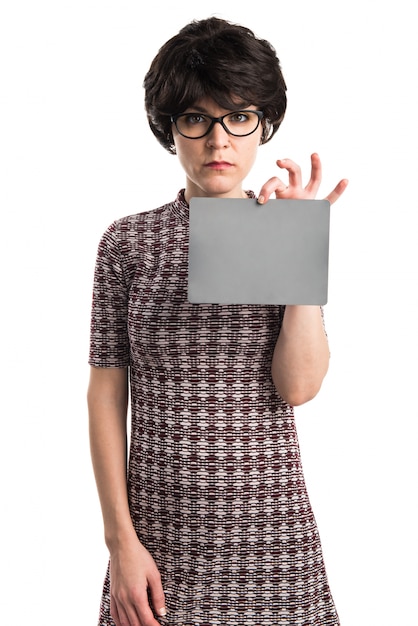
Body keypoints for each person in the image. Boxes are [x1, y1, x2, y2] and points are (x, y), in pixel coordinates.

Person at [87, 16, 348, 626]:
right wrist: (120, 543)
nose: (218, 141)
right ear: (169, 127)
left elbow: (299, 387)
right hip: (158, 536)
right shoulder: (129, 242)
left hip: (271, 534)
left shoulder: (280, 230)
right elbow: (106, 394)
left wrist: (297, 246)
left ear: (264, 124)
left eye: (238, 117)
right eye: (195, 118)